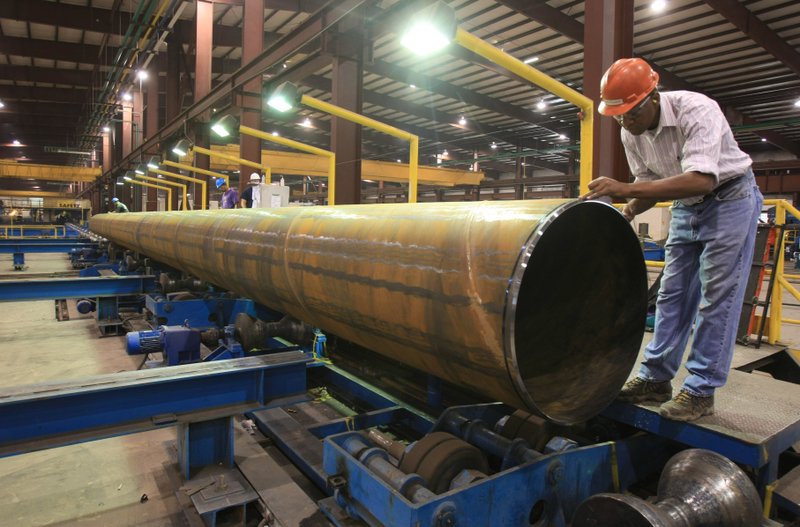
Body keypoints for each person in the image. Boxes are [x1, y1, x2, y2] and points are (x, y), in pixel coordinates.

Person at [581, 58, 763, 422]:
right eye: (617, 116)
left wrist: (623, 187)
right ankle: (655, 378)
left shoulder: (697, 110)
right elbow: (650, 185)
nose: (624, 122)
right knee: (672, 295)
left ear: (652, 97)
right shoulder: (628, 132)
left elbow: (701, 180)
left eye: (630, 113)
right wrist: (628, 211)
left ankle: (699, 390)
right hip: (687, 207)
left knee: (716, 298)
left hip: (729, 199)